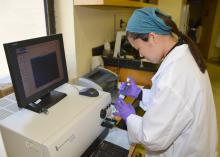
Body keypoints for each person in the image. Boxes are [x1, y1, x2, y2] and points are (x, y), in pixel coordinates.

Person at [114, 8, 218, 157]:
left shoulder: (174, 75)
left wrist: (129, 117)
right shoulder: (184, 52)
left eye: (139, 48)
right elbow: (170, 103)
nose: (141, 55)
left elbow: (152, 137)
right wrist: (140, 94)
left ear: (152, 37)